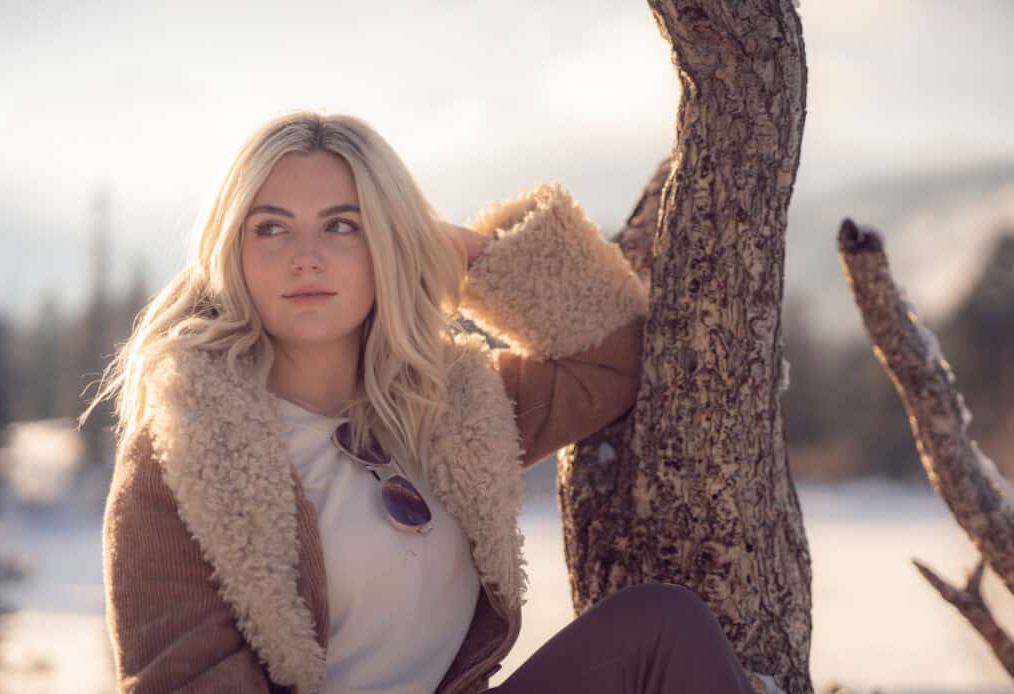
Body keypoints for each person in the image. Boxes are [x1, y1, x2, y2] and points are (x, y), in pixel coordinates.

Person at [87, 110, 758, 694]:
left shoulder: (448, 408)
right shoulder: (187, 453)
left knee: (661, 630)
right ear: (231, 252)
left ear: (387, 242)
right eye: (271, 228)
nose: (306, 258)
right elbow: (184, 682)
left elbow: (615, 359)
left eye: (343, 225)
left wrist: (462, 253)